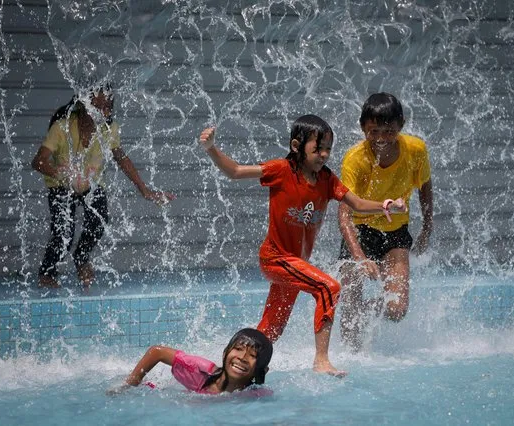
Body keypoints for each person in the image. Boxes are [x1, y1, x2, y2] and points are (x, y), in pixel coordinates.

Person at [199, 115, 406, 376]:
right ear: (297, 146)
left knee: (270, 330)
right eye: (317, 149)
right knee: (328, 287)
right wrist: (211, 149)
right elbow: (236, 171)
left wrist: (384, 205)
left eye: (328, 149)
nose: (324, 155)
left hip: (295, 266)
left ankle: (228, 373)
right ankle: (321, 360)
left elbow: (357, 203)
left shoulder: (327, 180)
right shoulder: (281, 170)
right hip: (275, 258)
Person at [31, 84, 175, 289]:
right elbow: (38, 162)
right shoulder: (62, 128)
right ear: (83, 104)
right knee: (64, 232)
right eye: (97, 105)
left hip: (91, 183)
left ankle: (81, 258)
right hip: (62, 185)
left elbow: (122, 159)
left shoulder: (109, 130)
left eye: (108, 106)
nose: (103, 111)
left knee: (98, 222)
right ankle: (47, 273)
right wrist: (63, 175)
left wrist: (145, 190)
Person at [338, 92, 433, 351]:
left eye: (388, 131)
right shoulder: (355, 158)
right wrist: (359, 256)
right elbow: (344, 215)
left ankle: (366, 312)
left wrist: (426, 227)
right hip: (359, 231)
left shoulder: (416, 150)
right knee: (349, 310)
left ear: (401, 125)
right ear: (363, 128)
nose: (381, 138)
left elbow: (425, 188)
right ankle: (351, 355)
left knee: (397, 309)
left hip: (395, 233)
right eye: (373, 131)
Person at [115, 328, 273, 395]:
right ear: (225, 352)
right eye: (238, 349)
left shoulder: (257, 395)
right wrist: (129, 385)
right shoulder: (201, 372)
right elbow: (158, 352)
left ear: (262, 369)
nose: (242, 358)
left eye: (252, 356)